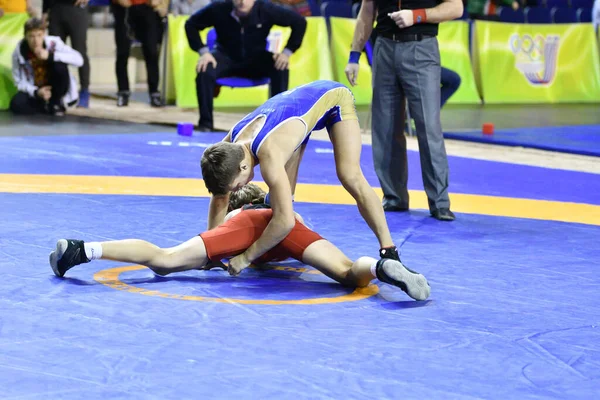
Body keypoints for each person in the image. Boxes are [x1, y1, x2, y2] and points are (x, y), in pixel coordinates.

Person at [48, 183, 431, 301]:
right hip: (287, 228)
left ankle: (83, 249)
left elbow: (216, 232)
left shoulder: (238, 217)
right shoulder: (278, 212)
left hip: (253, 230)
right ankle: (380, 267)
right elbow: (286, 223)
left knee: (165, 260)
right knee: (350, 273)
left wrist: (235, 250)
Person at [200, 80, 403, 278]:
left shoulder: (269, 156)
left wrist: (246, 257)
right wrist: (212, 251)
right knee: (277, 200)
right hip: (295, 115)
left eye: (236, 186)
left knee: (349, 175)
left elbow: (285, 222)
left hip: (333, 99)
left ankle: (389, 249)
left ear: (243, 167)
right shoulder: (227, 146)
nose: (237, 190)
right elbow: (220, 197)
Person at [345, 0, 463, 221]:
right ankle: (394, 197)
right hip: (384, 49)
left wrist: (417, 16)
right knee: (385, 128)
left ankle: (439, 202)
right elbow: (367, 11)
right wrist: (354, 54)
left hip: (421, 48)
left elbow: (456, 8)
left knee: (428, 127)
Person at [184, 0, 307, 131]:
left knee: (280, 66)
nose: (242, 2)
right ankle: (206, 124)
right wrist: (204, 52)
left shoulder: (266, 9)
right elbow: (191, 24)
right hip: (225, 56)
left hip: (256, 59)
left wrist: (286, 52)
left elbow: (299, 21)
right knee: (205, 69)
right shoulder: (218, 8)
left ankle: (276, 124)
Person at [10, 17, 83, 116]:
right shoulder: (18, 53)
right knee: (16, 104)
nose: (35, 41)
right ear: (25, 36)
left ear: (44, 34)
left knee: (59, 66)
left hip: (54, 85)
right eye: (31, 36)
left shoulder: (54, 43)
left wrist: (51, 56)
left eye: (39, 35)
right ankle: (44, 105)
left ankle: (56, 102)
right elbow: (18, 82)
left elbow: (79, 60)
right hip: (35, 88)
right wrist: (36, 92)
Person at [110, 0, 167, 108]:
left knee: (151, 51)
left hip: (146, 7)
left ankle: (154, 92)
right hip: (123, 8)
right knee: (122, 52)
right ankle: (123, 92)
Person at [42, 0, 92, 108]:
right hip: (55, 9)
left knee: (80, 51)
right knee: (54, 52)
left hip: (76, 8)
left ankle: (84, 91)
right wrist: (45, 11)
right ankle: (56, 93)